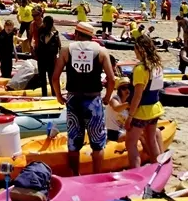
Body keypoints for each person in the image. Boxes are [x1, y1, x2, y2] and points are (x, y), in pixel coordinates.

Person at [51, 21, 116, 175]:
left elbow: (55, 77)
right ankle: (96, 175)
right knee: (97, 143)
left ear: (78, 34)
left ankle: (75, 175)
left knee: (74, 142)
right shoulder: (101, 51)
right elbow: (112, 79)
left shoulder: (67, 50)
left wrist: (59, 95)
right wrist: (107, 98)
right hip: (93, 100)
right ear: (91, 36)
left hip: (73, 100)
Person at [123, 34, 164, 169]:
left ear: (139, 49)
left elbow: (137, 96)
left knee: (131, 143)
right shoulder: (157, 65)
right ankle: (157, 170)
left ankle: (136, 173)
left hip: (142, 112)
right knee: (151, 140)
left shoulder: (141, 69)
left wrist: (130, 117)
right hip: (155, 108)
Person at [35, 15, 62, 97]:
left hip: (42, 58)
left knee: (43, 79)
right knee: (51, 78)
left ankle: (45, 95)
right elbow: (59, 46)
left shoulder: (41, 31)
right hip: (50, 59)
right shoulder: (54, 34)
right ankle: (53, 95)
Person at [105, 78, 132, 142]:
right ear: (119, 90)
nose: (127, 90)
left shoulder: (129, 102)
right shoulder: (114, 99)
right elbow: (117, 108)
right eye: (124, 88)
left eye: (129, 87)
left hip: (124, 131)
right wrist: (129, 104)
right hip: (113, 133)